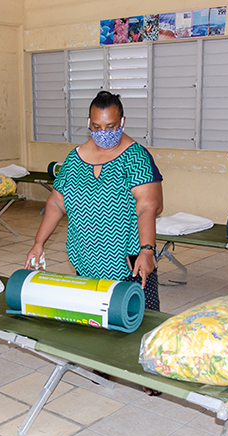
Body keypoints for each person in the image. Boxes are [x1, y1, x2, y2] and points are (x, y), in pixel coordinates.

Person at [24, 90, 164, 394]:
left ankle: (150, 373)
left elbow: (148, 206)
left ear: (122, 121)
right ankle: (103, 364)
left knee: (141, 315)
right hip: (87, 257)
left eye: (111, 127)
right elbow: (56, 202)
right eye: (97, 127)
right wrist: (39, 242)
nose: (104, 134)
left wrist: (147, 250)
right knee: (96, 313)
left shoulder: (136, 157)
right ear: (89, 123)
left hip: (126, 257)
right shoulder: (75, 158)